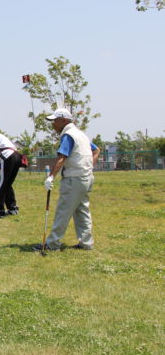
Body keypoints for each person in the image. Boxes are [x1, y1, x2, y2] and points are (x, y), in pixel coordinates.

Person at [34, 108, 100, 252]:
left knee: (63, 212)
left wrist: (51, 177)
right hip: (86, 178)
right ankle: (86, 243)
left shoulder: (68, 135)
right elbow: (96, 150)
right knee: (82, 211)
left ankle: (52, 244)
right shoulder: (80, 134)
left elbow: (61, 158)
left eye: (55, 121)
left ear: (64, 120)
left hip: (74, 179)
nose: (53, 124)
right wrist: (89, 167)